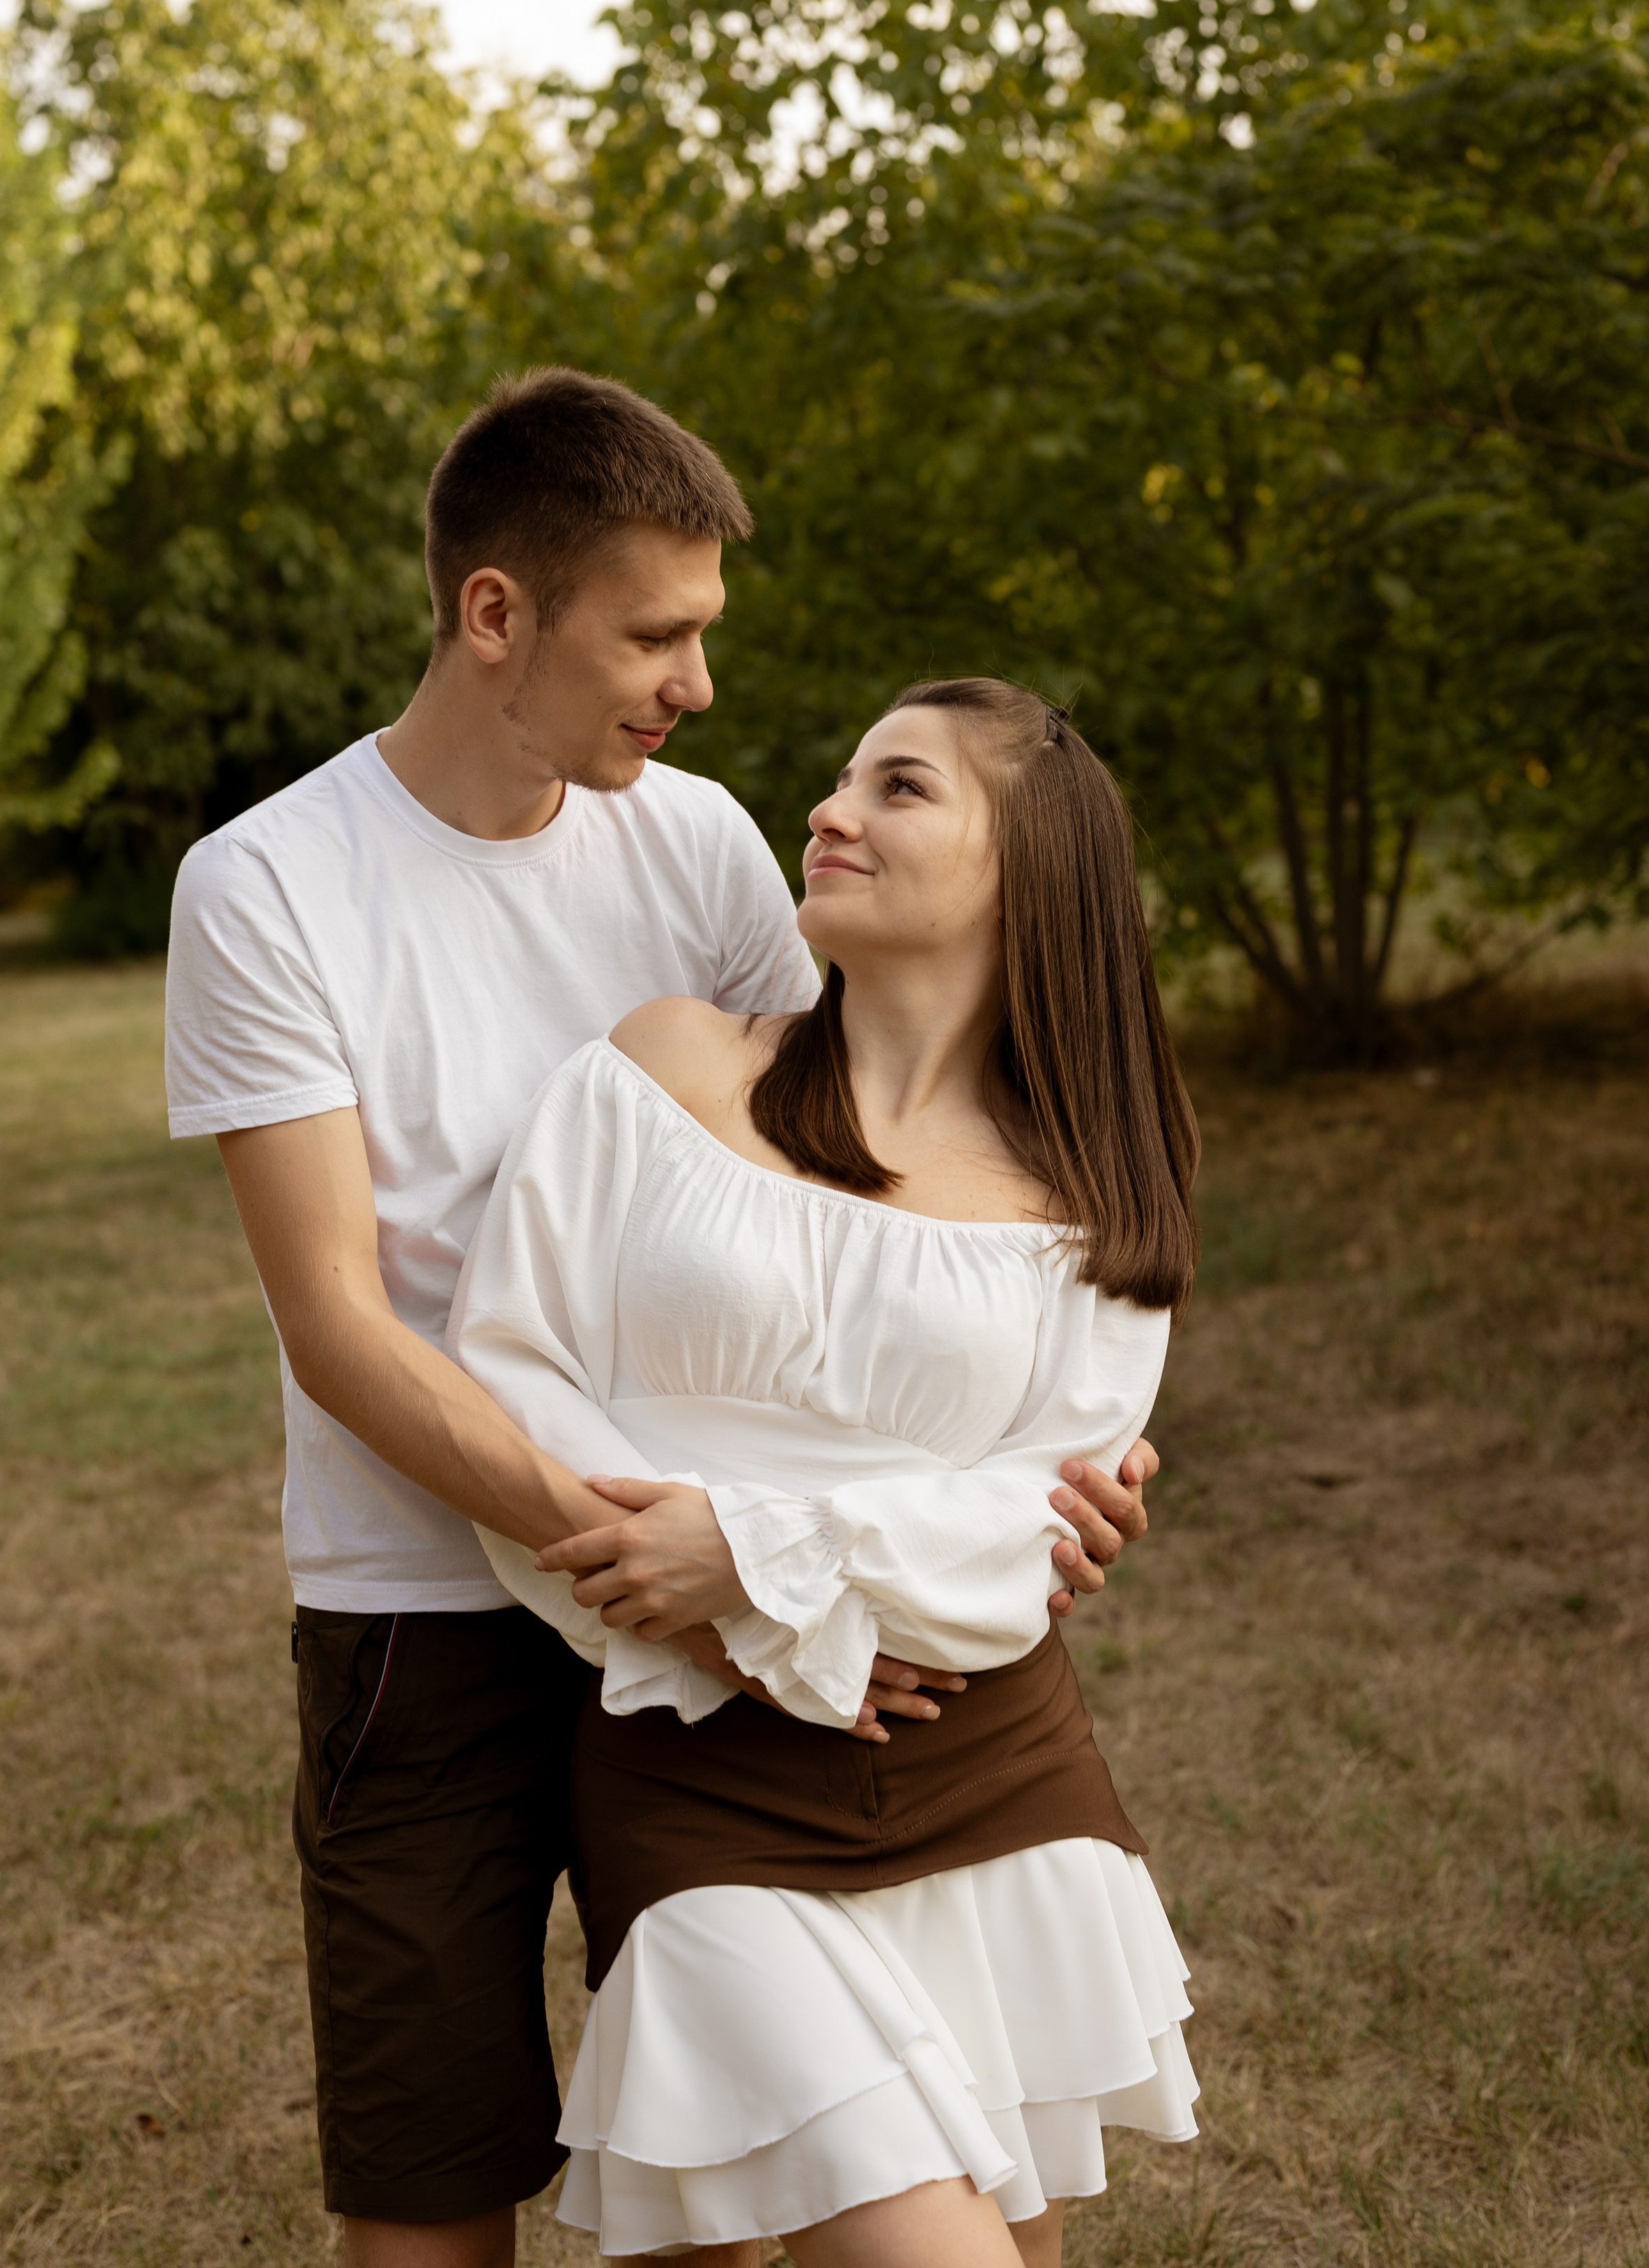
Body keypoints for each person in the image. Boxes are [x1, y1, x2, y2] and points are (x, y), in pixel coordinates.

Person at [162, 371, 1157, 2268]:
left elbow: (852, 1189)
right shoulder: (269, 884)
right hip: (429, 1609)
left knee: (733, 2181)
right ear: (495, 613)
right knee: (430, 2194)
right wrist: (698, 1581)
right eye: (655, 635)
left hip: (730, 1619)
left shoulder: (696, 844)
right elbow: (342, 1327)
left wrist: (1035, 1448)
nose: (697, 683)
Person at [448, 675, 1202, 2268]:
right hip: (698, 1767)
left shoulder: (1097, 1177)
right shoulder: (662, 1069)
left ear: (1027, 865)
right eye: (843, 777)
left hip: (991, 1773)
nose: (829, 810)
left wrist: (753, 1551)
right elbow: (511, 1370)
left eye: (898, 786)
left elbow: (1032, 1518)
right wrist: (716, 1606)